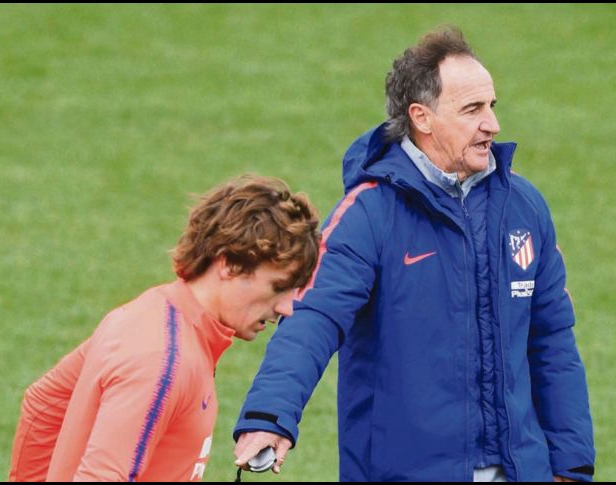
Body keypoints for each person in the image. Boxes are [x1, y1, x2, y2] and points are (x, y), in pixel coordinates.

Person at [233, 26, 595, 482]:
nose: (493, 124)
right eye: (473, 110)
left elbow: (552, 341)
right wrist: (269, 416)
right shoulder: (370, 213)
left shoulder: (523, 207)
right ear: (422, 118)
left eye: (492, 106)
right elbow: (315, 316)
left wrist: (570, 463)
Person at [8, 175, 320, 482]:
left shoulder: (149, 316)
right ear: (229, 264)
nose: (286, 308)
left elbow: (44, 404)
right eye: (278, 287)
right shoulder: (162, 361)